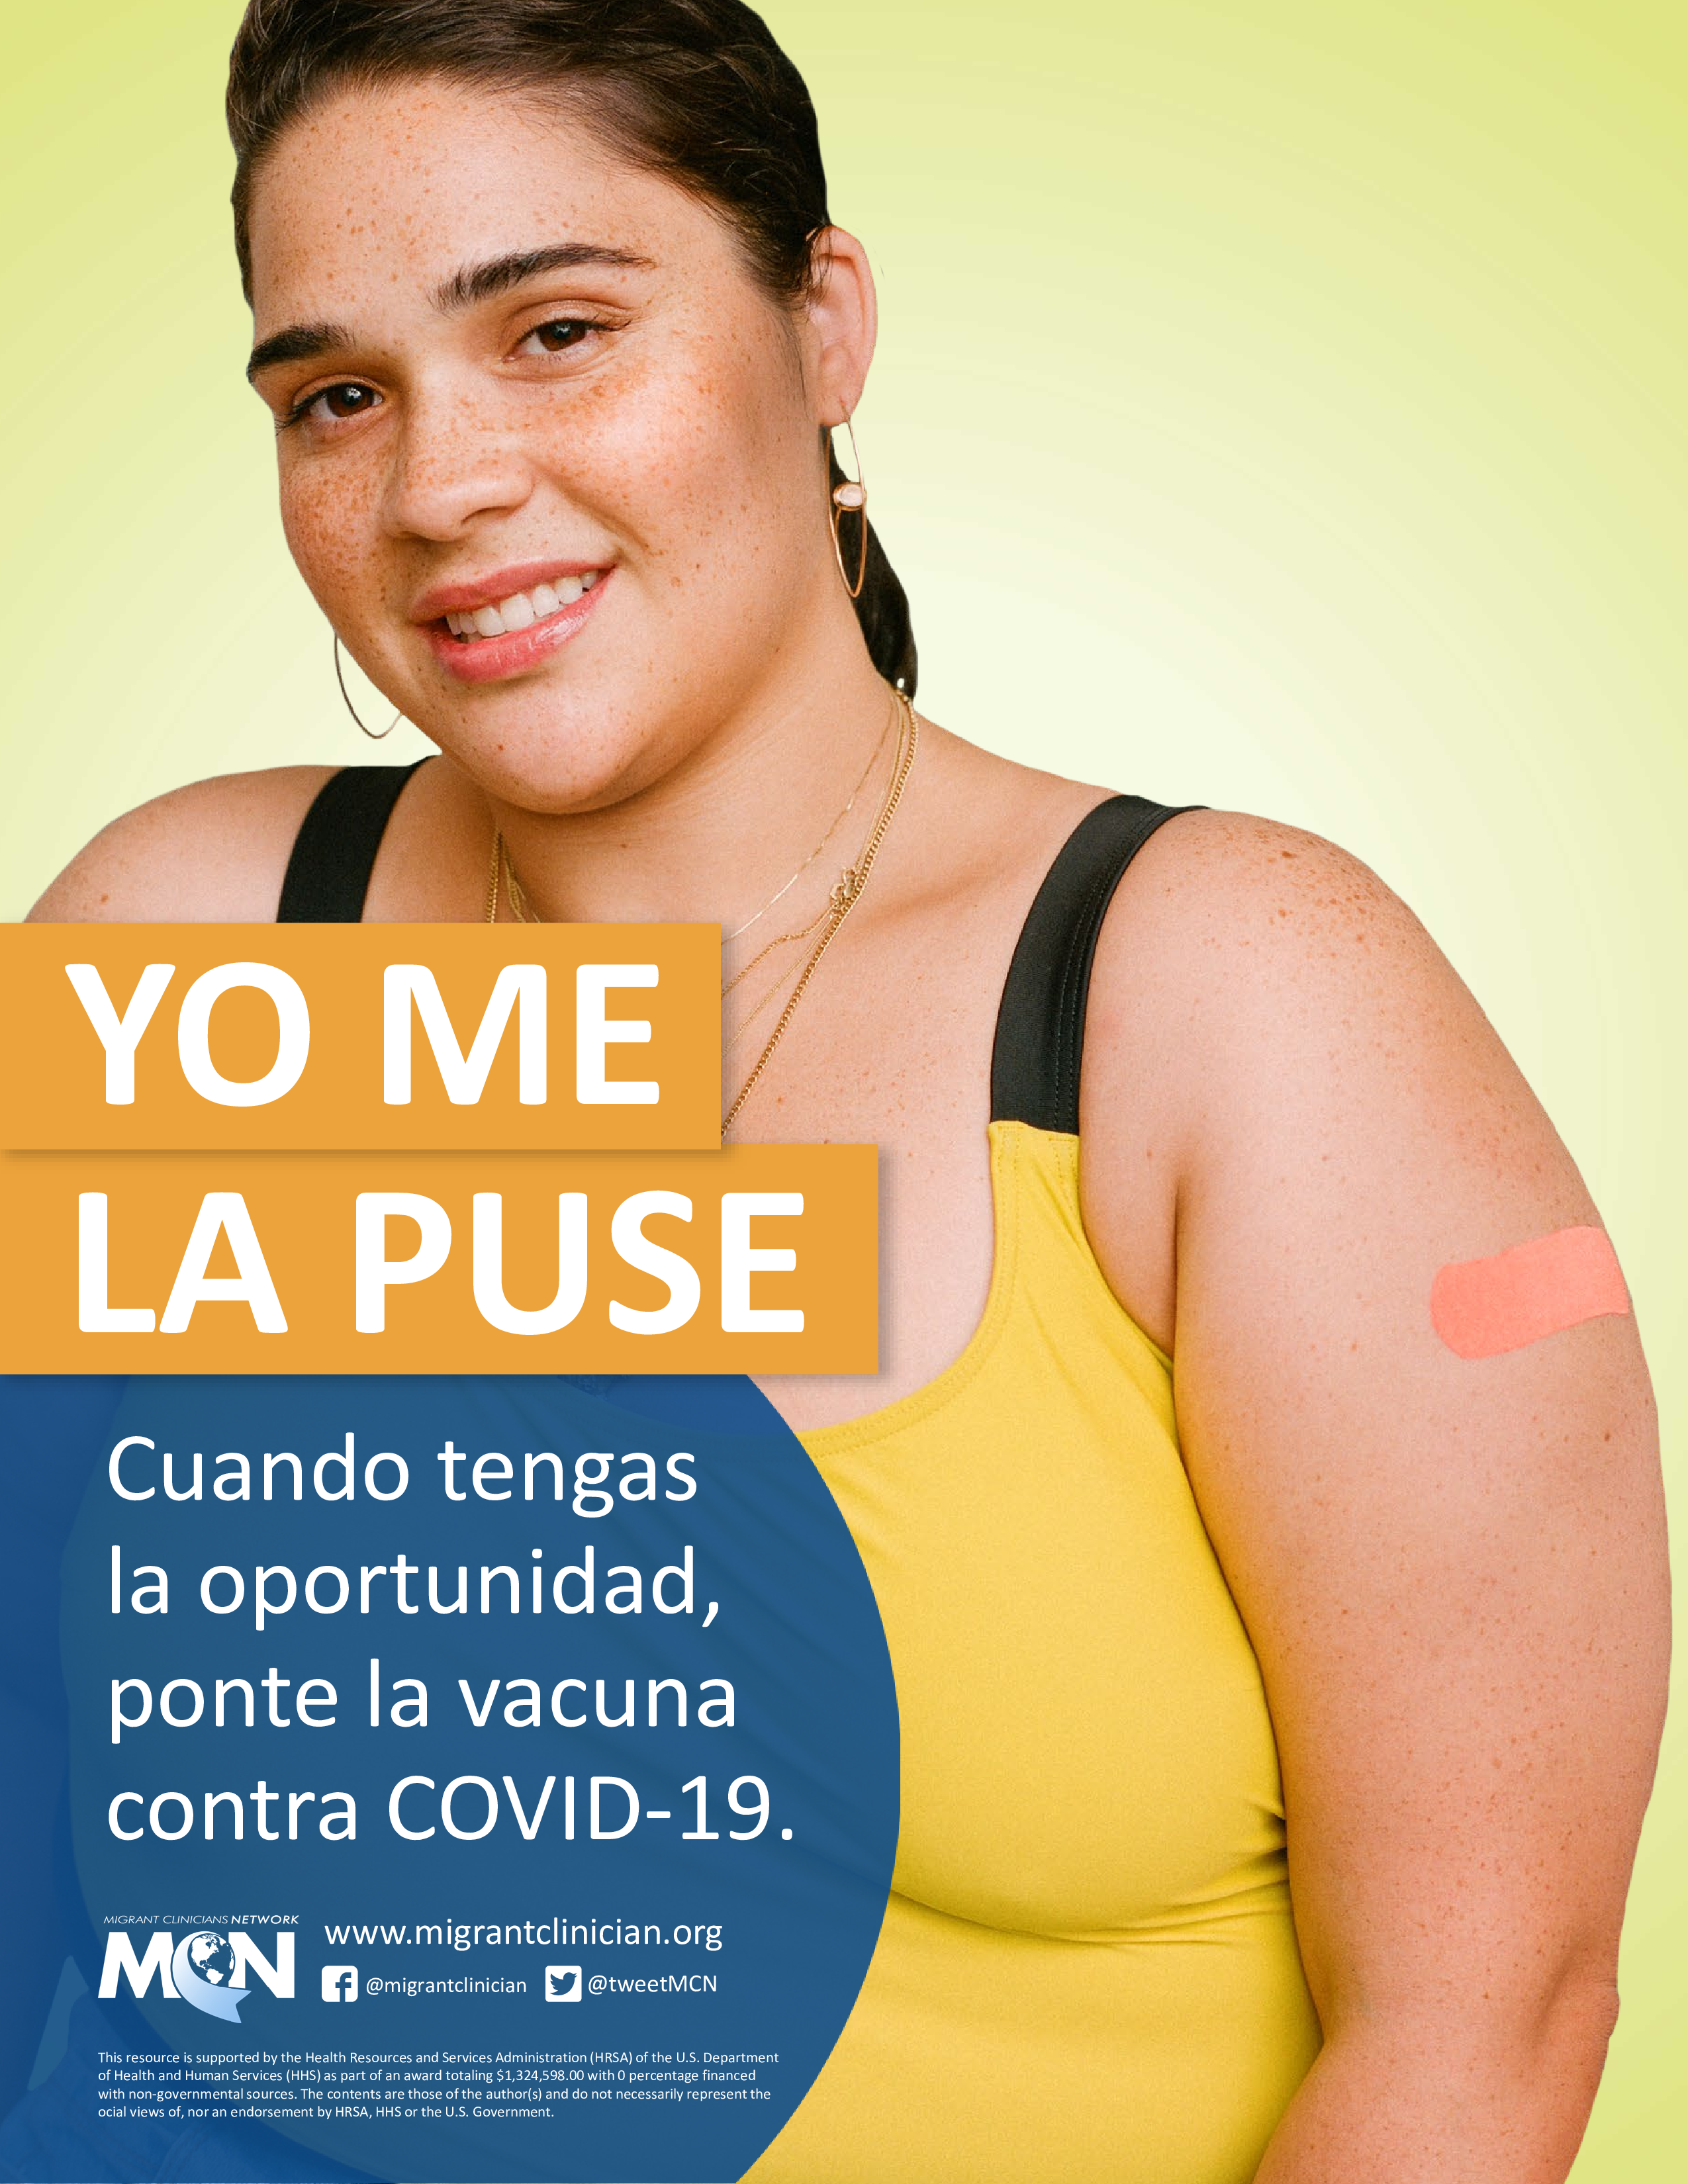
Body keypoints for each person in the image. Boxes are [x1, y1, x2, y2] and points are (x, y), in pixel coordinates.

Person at [19, 3, 1669, 2180]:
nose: (438, 489)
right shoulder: (198, 943)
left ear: (820, 325)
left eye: (559, 330)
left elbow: (1484, 2029)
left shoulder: (1214, 1003)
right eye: (338, 396)